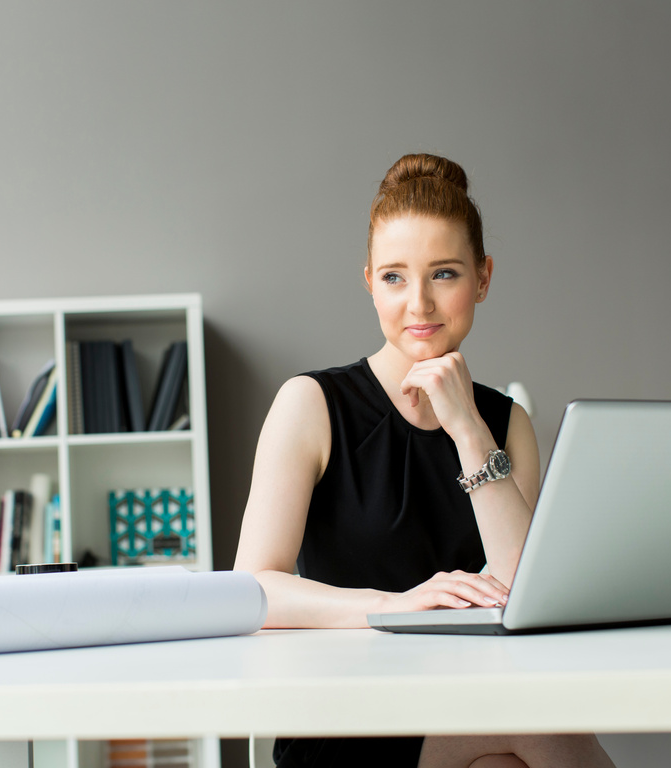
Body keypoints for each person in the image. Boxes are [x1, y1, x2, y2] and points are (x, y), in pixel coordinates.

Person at [233, 153, 615, 768]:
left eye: (443, 274)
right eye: (393, 277)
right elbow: (255, 588)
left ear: (483, 279)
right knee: (549, 730)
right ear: (368, 282)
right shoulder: (311, 404)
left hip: (470, 703)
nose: (420, 304)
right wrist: (392, 606)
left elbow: (524, 596)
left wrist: (465, 425)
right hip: (346, 716)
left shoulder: (505, 424)